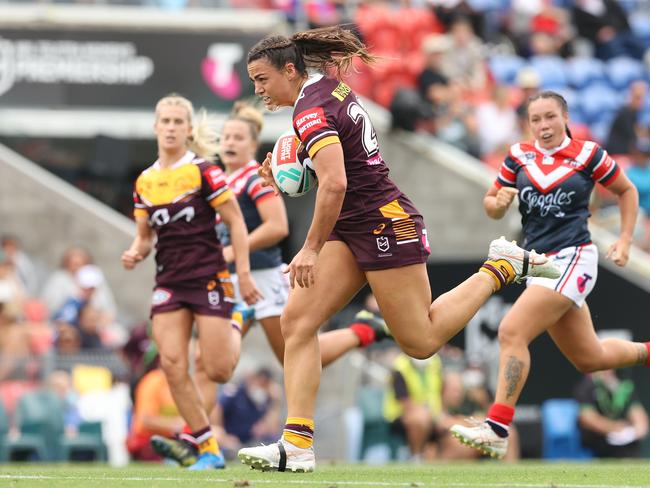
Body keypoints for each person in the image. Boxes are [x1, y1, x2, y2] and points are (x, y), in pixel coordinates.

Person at [237, 25, 560, 473]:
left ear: (290, 70)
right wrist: (298, 167)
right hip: (355, 223)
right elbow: (337, 162)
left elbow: (335, 182)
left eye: (261, 79)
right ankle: (297, 444)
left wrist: (309, 248)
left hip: (383, 222)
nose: (257, 89)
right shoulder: (326, 88)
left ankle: (499, 268)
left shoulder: (310, 110)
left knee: (421, 341)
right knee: (297, 321)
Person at [147, 103, 393, 468]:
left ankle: (361, 331)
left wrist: (232, 249)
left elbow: (277, 227)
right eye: (226, 136)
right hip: (229, 280)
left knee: (293, 354)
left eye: (238, 137)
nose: (230, 142)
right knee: (208, 363)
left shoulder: (255, 178)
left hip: (261, 277)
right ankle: (194, 438)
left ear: (251, 145)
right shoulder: (216, 177)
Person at [450, 90, 646, 460]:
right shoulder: (518, 155)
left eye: (550, 117)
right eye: (535, 119)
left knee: (511, 330)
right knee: (592, 359)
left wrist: (623, 240)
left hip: (574, 257)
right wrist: (498, 203)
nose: (543, 126)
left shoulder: (589, 154)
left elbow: (627, 191)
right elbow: (491, 203)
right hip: (537, 264)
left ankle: (496, 427)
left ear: (565, 117)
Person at [121, 93, 262, 470]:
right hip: (170, 281)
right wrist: (136, 250)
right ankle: (208, 448)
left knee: (217, 370)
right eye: (164, 121)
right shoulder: (145, 181)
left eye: (177, 122)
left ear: (187, 129)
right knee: (171, 364)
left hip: (209, 277)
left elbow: (235, 222)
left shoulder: (203, 171)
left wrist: (244, 274)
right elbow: (145, 235)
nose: (170, 128)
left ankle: (238, 317)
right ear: (155, 127)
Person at [575, 369, 648, 458]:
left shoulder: (624, 386)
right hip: (599, 441)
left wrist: (633, 433)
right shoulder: (587, 386)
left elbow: (639, 417)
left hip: (626, 443)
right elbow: (587, 418)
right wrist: (614, 428)